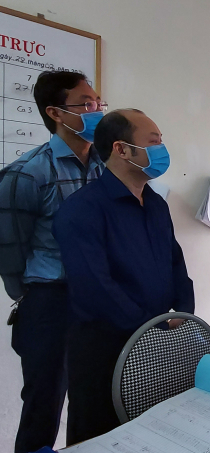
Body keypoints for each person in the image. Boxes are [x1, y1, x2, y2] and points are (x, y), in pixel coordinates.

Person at [52, 109, 195, 444]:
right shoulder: (82, 209)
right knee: (101, 437)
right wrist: (151, 325)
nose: (162, 149)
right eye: (154, 142)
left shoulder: (156, 204)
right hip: (104, 351)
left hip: (155, 344)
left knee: (151, 432)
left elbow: (175, 262)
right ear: (121, 149)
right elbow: (95, 288)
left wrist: (184, 310)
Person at [0, 70, 106, 453]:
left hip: (98, 299)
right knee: (44, 405)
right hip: (51, 302)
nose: (96, 111)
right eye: (87, 104)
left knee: (94, 400)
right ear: (56, 113)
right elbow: (10, 248)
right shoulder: (28, 173)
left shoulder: (108, 167)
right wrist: (31, 297)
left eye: (99, 103)